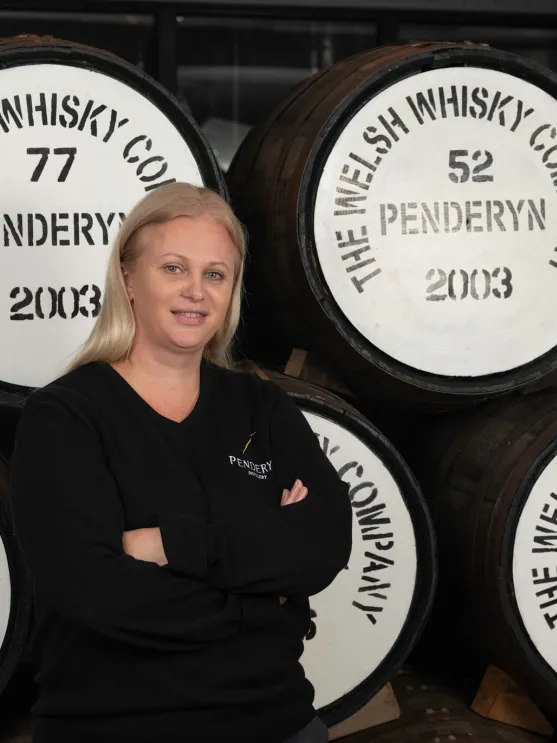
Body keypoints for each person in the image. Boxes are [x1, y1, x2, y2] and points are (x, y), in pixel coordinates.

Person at [8, 183, 353, 743]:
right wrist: (266, 605)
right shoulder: (65, 417)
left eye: (215, 274)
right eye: (173, 268)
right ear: (127, 279)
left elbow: (325, 542)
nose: (196, 292)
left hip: (279, 722)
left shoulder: (260, 405)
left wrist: (170, 546)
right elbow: (95, 594)